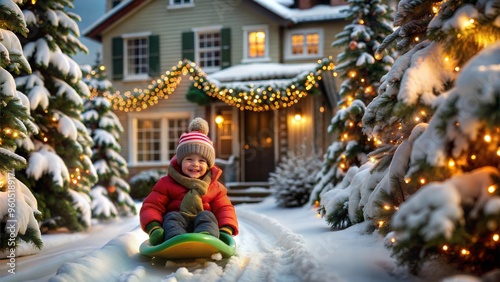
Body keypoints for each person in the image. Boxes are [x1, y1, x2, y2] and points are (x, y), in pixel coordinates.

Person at [140, 117, 239, 246]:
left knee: (207, 216)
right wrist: (154, 227)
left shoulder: (215, 187)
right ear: (180, 161)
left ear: (208, 165)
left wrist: (226, 228)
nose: (195, 164)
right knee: (171, 217)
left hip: (203, 228)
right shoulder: (166, 183)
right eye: (189, 159)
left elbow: (224, 209)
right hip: (177, 225)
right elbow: (152, 206)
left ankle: (206, 240)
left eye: (201, 160)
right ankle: (176, 241)